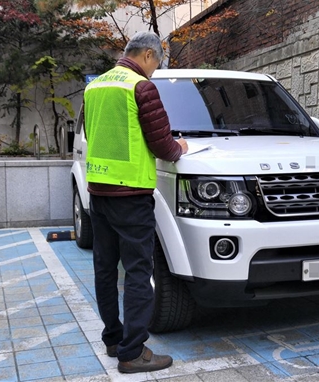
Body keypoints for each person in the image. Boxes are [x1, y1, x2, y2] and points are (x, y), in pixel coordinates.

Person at [82, 31, 188, 373]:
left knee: (105, 269)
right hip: (131, 196)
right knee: (139, 272)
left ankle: (114, 339)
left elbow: (95, 131)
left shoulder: (94, 86)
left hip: (99, 192)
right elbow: (164, 146)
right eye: (156, 63)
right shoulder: (140, 86)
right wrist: (181, 147)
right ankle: (133, 352)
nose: (155, 71)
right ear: (146, 54)